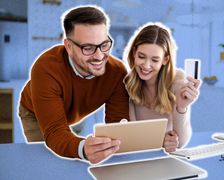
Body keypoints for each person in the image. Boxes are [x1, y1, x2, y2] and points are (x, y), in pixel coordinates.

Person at [18, 6, 129, 164]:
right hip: (35, 113)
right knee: (46, 162)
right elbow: (55, 131)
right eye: (88, 48)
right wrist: (82, 149)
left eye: (104, 45)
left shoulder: (117, 71)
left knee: (72, 155)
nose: (99, 56)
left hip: (76, 112)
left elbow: (118, 124)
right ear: (69, 46)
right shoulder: (46, 68)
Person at [123, 23, 201, 152]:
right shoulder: (128, 84)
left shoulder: (177, 84)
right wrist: (158, 141)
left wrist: (181, 107)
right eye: (141, 57)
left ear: (165, 60)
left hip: (165, 159)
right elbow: (132, 136)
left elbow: (181, 142)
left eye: (154, 60)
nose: (146, 66)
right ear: (134, 53)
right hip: (140, 157)